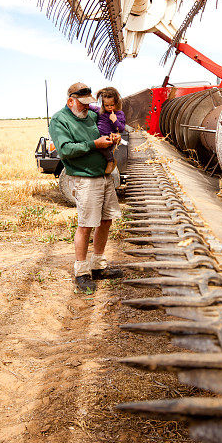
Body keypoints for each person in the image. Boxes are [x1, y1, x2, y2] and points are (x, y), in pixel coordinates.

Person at [49, 82, 123, 294]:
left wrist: (112, 138)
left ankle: (98, 266)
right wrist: (94, 145)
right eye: (82, 104)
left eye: (88, 103)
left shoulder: (91, 116)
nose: (86, 108)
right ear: (70, 101)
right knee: (86, 224)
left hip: (104, 175)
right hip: (85, 179)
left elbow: (106, 128)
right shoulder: (59, 120)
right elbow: (65, 150)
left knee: (106, 220)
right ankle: (81, 272)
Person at [89, 87, 126, 174]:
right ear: (103, 105)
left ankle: (111, 160)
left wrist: (115, 120)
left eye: (112, 105)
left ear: (116, 103)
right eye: (106, 105)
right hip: (98, 136)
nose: (109, 107)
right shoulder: (101, 111)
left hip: (109, 137)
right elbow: (91, 107)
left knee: (102, 145)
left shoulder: (119, 114)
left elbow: (121, 129)